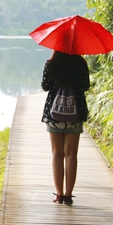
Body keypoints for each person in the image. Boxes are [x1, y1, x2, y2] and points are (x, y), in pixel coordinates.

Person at [41, 50, 90, 205]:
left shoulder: (51, 63)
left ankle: (59, 194)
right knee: (71, 154)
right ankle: (69, 195)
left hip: (55, 113)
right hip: (74, 113)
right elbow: (85, 86)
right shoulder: (81, 63)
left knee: (57, 153)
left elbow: (45, 86)